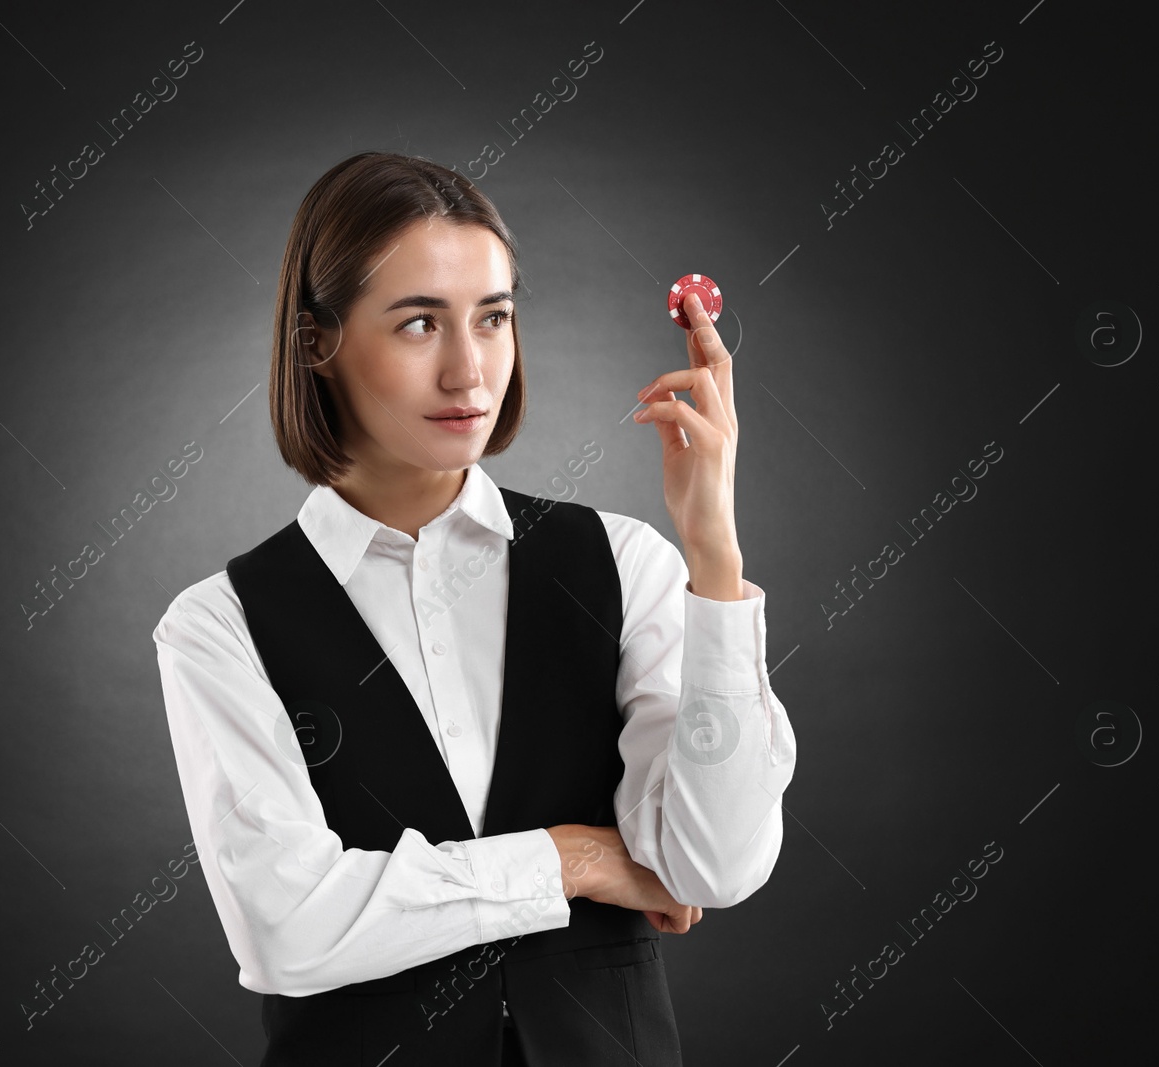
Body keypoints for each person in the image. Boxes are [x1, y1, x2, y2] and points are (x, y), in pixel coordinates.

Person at [153, 152, 797, 1066]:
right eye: (419, 323)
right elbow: (286, 928)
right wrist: (571, 858)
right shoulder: (219, 624)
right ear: (316, 345)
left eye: (492, 318)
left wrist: (717, 563)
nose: (469, 372)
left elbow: (714, 866)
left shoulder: (624, 563)